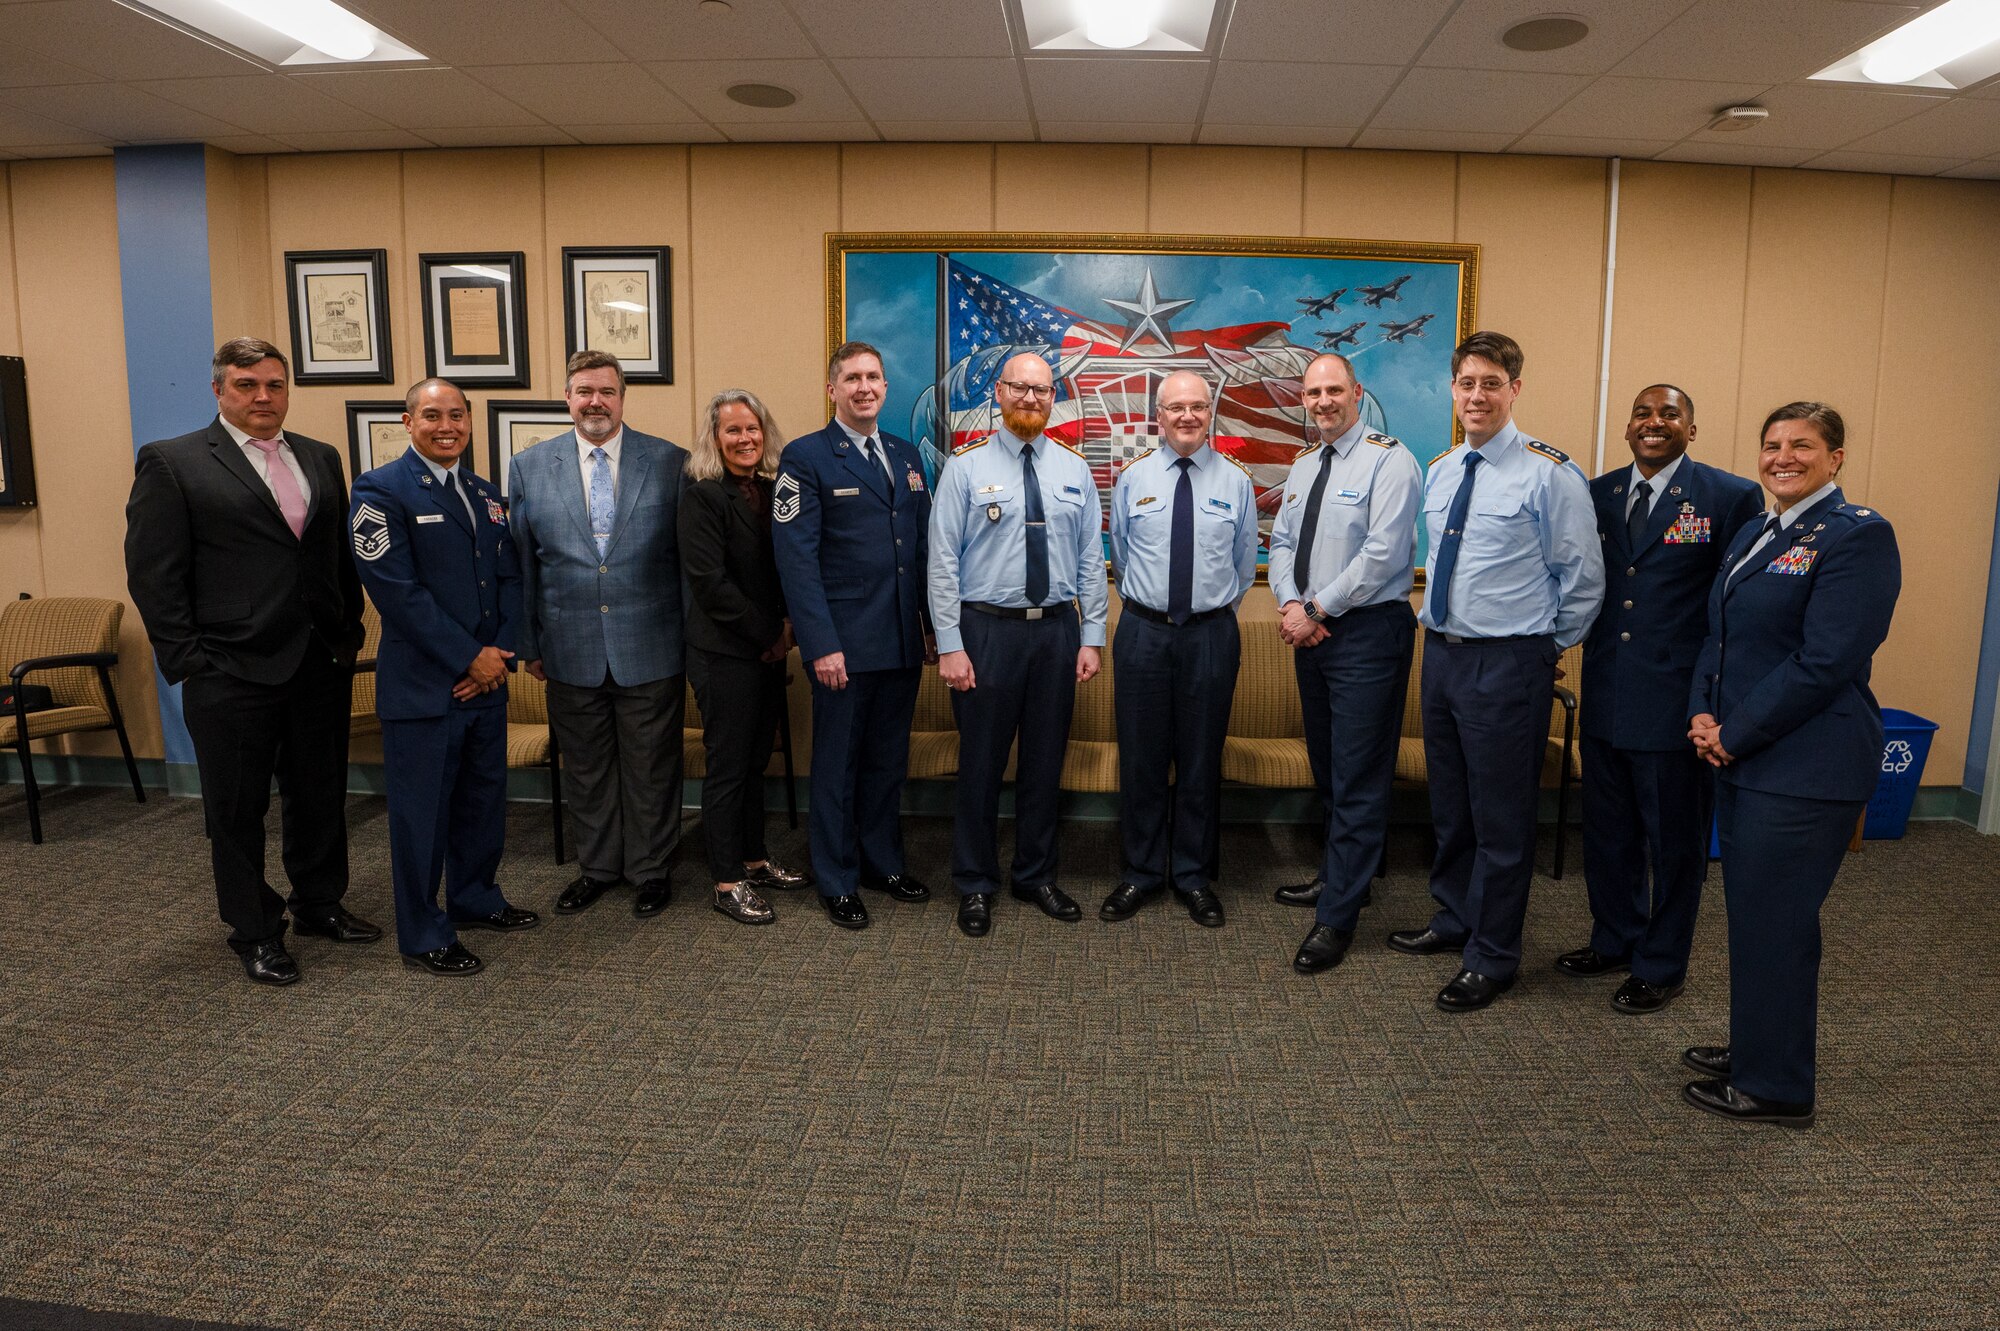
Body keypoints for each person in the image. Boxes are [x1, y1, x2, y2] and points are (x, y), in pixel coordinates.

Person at [124, 337, 378, 986]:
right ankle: (256, 930)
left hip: (317, 662)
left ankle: (320, 903)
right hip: (230, 671)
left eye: (273, 384)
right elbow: (155, 576)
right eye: (246, 385)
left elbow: (333, 557)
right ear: (219, 391)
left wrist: (347, 633)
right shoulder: (174, 463)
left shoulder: (319, 457)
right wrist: (191, 661)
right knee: (237, 811)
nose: (262, 397)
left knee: (319, 794)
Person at [1682, 403, 1899, 1129]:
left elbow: (1825, 661)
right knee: (1754, 914)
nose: (1783, 456)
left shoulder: (1857, 537)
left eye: (1802, 445)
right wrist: (1703, 715)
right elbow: (1718, 638)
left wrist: (1734, 732)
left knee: (1778, 919)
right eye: (1772, 444)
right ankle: (1757, 1049)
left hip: (1807, 765)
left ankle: (1775, 1087)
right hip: (1747, 755)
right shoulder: (1757, 530)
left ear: (1835, 457)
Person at [1389, 330, 1604, 1012]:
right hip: (1444, 658)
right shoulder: (1445, 467)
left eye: (1491, 382)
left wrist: (1542, 648)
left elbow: (1585, 580)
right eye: (1466, 383)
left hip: (1509, 664)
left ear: (1515, 389)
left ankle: (1494, 955)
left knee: (1503, 820)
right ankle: (1454, 918)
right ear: (1452, 392)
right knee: (1451, 808)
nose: (1477, 394)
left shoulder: (1550, 473)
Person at [1565, 385, 1761, 1012]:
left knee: (1673, 842)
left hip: (1677, 700)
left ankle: (1661, 962)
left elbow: (1728, 608)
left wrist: (1712, 697)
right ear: (1628, 427)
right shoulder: (1599, 494)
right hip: (1606, 690)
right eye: (1643, 414)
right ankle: (1615, 938)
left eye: (1669, 414)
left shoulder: (1728, 497)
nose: (1654, 423)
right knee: (1609, 834)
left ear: (1691, 429)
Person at [348, 379, 540, 976]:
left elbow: (511, 581)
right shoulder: (380, 491)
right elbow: (396, 593)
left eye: (457, 414)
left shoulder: (486, 495)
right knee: (422, 816)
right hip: (424, 689)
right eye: (432, 415)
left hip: (485, 684)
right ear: (408, 422)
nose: (446, 425)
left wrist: (499, 655)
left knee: (483, 803)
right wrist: (467, 658)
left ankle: (475, 897)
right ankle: (423, 931)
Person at [928, 352, 1108, 939]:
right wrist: (951, 644)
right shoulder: (963, 468)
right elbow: (942, 564)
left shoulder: (1074, 471)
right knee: (980, 764)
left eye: (1041, 390)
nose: (1030, 399)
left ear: (1053, 397)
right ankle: (976, 882)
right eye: (1019, 389)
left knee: (1044, 762)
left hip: (1056, 631)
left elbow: (1089, 561)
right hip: (986, 633)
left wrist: (1091, 636)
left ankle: (1035, 874)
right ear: (999, 394)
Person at [508, 350, 688, 920]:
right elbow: (521, 564)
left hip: (652, 643)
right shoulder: (529, 466)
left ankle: (651, 870)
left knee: (652, 765)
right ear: (567, 398)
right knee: (584, 767)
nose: (595, 402)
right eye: (584, 391)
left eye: (606, 392)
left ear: (622, 397)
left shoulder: (669, 462)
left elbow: (684, 562)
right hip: (568, 645)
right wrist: (530, 644)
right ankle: (599, 868)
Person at [1265, 353, 1422, 973]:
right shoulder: (1305, 466)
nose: (1324, 401)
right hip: (1313, 632)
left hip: (1365, 634)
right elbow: (1280, 542)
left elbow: (1384, 557)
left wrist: (1316, 608)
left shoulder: (1392, 460)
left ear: (1358, 392)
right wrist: (1289, 604)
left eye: (1334, 390)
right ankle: (1335, 877)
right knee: (1330, 769)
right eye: (1313, 393)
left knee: (1359, 777)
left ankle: (1338, 918)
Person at [771, 342, 934, 931]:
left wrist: (932, 627)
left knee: (887, 763)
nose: (865, 387)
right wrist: (820, 643)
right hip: (843, 644)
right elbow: (796, 560)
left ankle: (882, 864)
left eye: (874, 377)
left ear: (885, 387)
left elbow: (918, 551)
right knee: (838, 766)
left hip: (899, 640)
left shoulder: (905, 454)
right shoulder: (806, 457)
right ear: (832, 389)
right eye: (853, 378)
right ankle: (836, 877)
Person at [1099, 370, 1258, 929]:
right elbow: (1120, 553)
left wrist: (1208, 615)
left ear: (1210, 412)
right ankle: (1141, 872)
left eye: (1197, 406)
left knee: (1199, 758)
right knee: (1141, 758)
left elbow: (1243, 567)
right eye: (1176, 408)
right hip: (1143, 632)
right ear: (1157, 416)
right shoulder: (1132, 479)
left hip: (1211, 634)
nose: (1187, 416)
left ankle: (1192, 875)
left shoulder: (1237, 482)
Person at [679, 389, 809, 926]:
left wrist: (788, 626)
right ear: (715, 438)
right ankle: (726, 881)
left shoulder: (771, 488)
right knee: (729, 767)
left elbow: (787, 562)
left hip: (766, 651)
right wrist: (771, 632)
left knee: (757, 761)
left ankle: (753, 859)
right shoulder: (701, 496)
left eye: (752, 429)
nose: (745, 439)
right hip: (724, 653)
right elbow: (711, 584)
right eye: (732, 430)